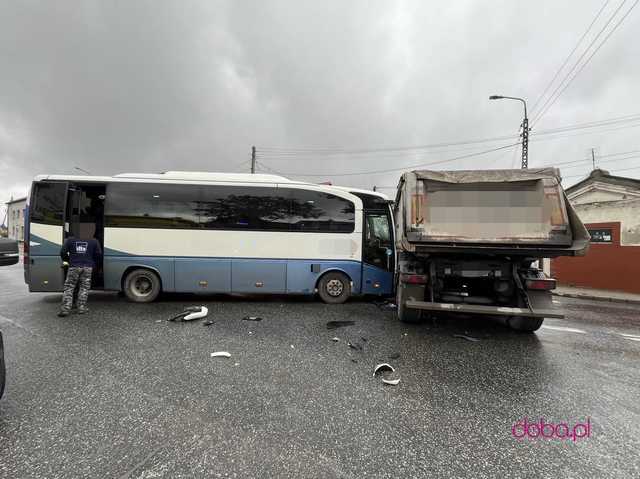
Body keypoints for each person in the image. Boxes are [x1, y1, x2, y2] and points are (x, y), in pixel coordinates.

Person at [58, 228, 102, 317]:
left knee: (69, 287)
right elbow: (98, 254)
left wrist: (68, 260)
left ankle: (65, 309)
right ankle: (81, 308)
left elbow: (62, 252)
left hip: (73, 266)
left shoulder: (70, 240)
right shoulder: (94, 241)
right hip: (87, 267)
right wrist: (93, 263)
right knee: (84, 288)